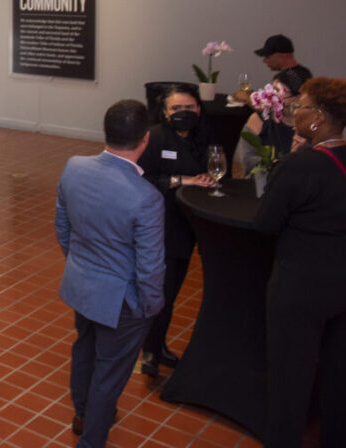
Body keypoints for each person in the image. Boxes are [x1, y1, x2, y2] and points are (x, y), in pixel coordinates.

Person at [254, 77, 346, 448]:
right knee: (344, 377)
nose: (295, 112)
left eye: (302, 106)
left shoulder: (300, 167)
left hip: (301, 289)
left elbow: (265, 222)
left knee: (289, 382)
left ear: (318, 119)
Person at [55, 99, 164, 448]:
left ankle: (82, 413)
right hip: (122, 301)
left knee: (85, 349)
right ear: (144, 139)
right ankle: (92, 440)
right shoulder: (146, 197)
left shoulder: (75, 167)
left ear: (106, 132)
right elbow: (150, 266)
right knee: (110, 373)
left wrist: (81, 265)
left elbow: (62, 227)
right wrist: (151, 306)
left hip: (80, 284)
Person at [137, 85, 214, 376]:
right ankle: (150, 351)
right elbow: (142, 180)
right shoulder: (154, 138)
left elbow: (215, 169)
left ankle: (158, 346)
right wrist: (182, 180)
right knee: (162, 293)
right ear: (165, 112)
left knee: (172, 293)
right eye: (176, 109)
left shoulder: (203, 136)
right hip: (161, 226)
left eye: (190, 108)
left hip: (189, 226)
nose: (184, 114)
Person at [235, 68, 306, 176]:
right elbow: (246, 160)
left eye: (278, 92)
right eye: (272, 91)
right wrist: (277, 163)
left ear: (297, 98)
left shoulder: (310, 126)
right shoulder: (259, 120)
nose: (272, 98)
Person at [237, 34, 311, 100]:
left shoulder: (288, 76)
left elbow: (277, 108)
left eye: (268, 56)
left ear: (281, 56)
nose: (264, 60)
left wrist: (248, 99)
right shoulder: (304, 73)